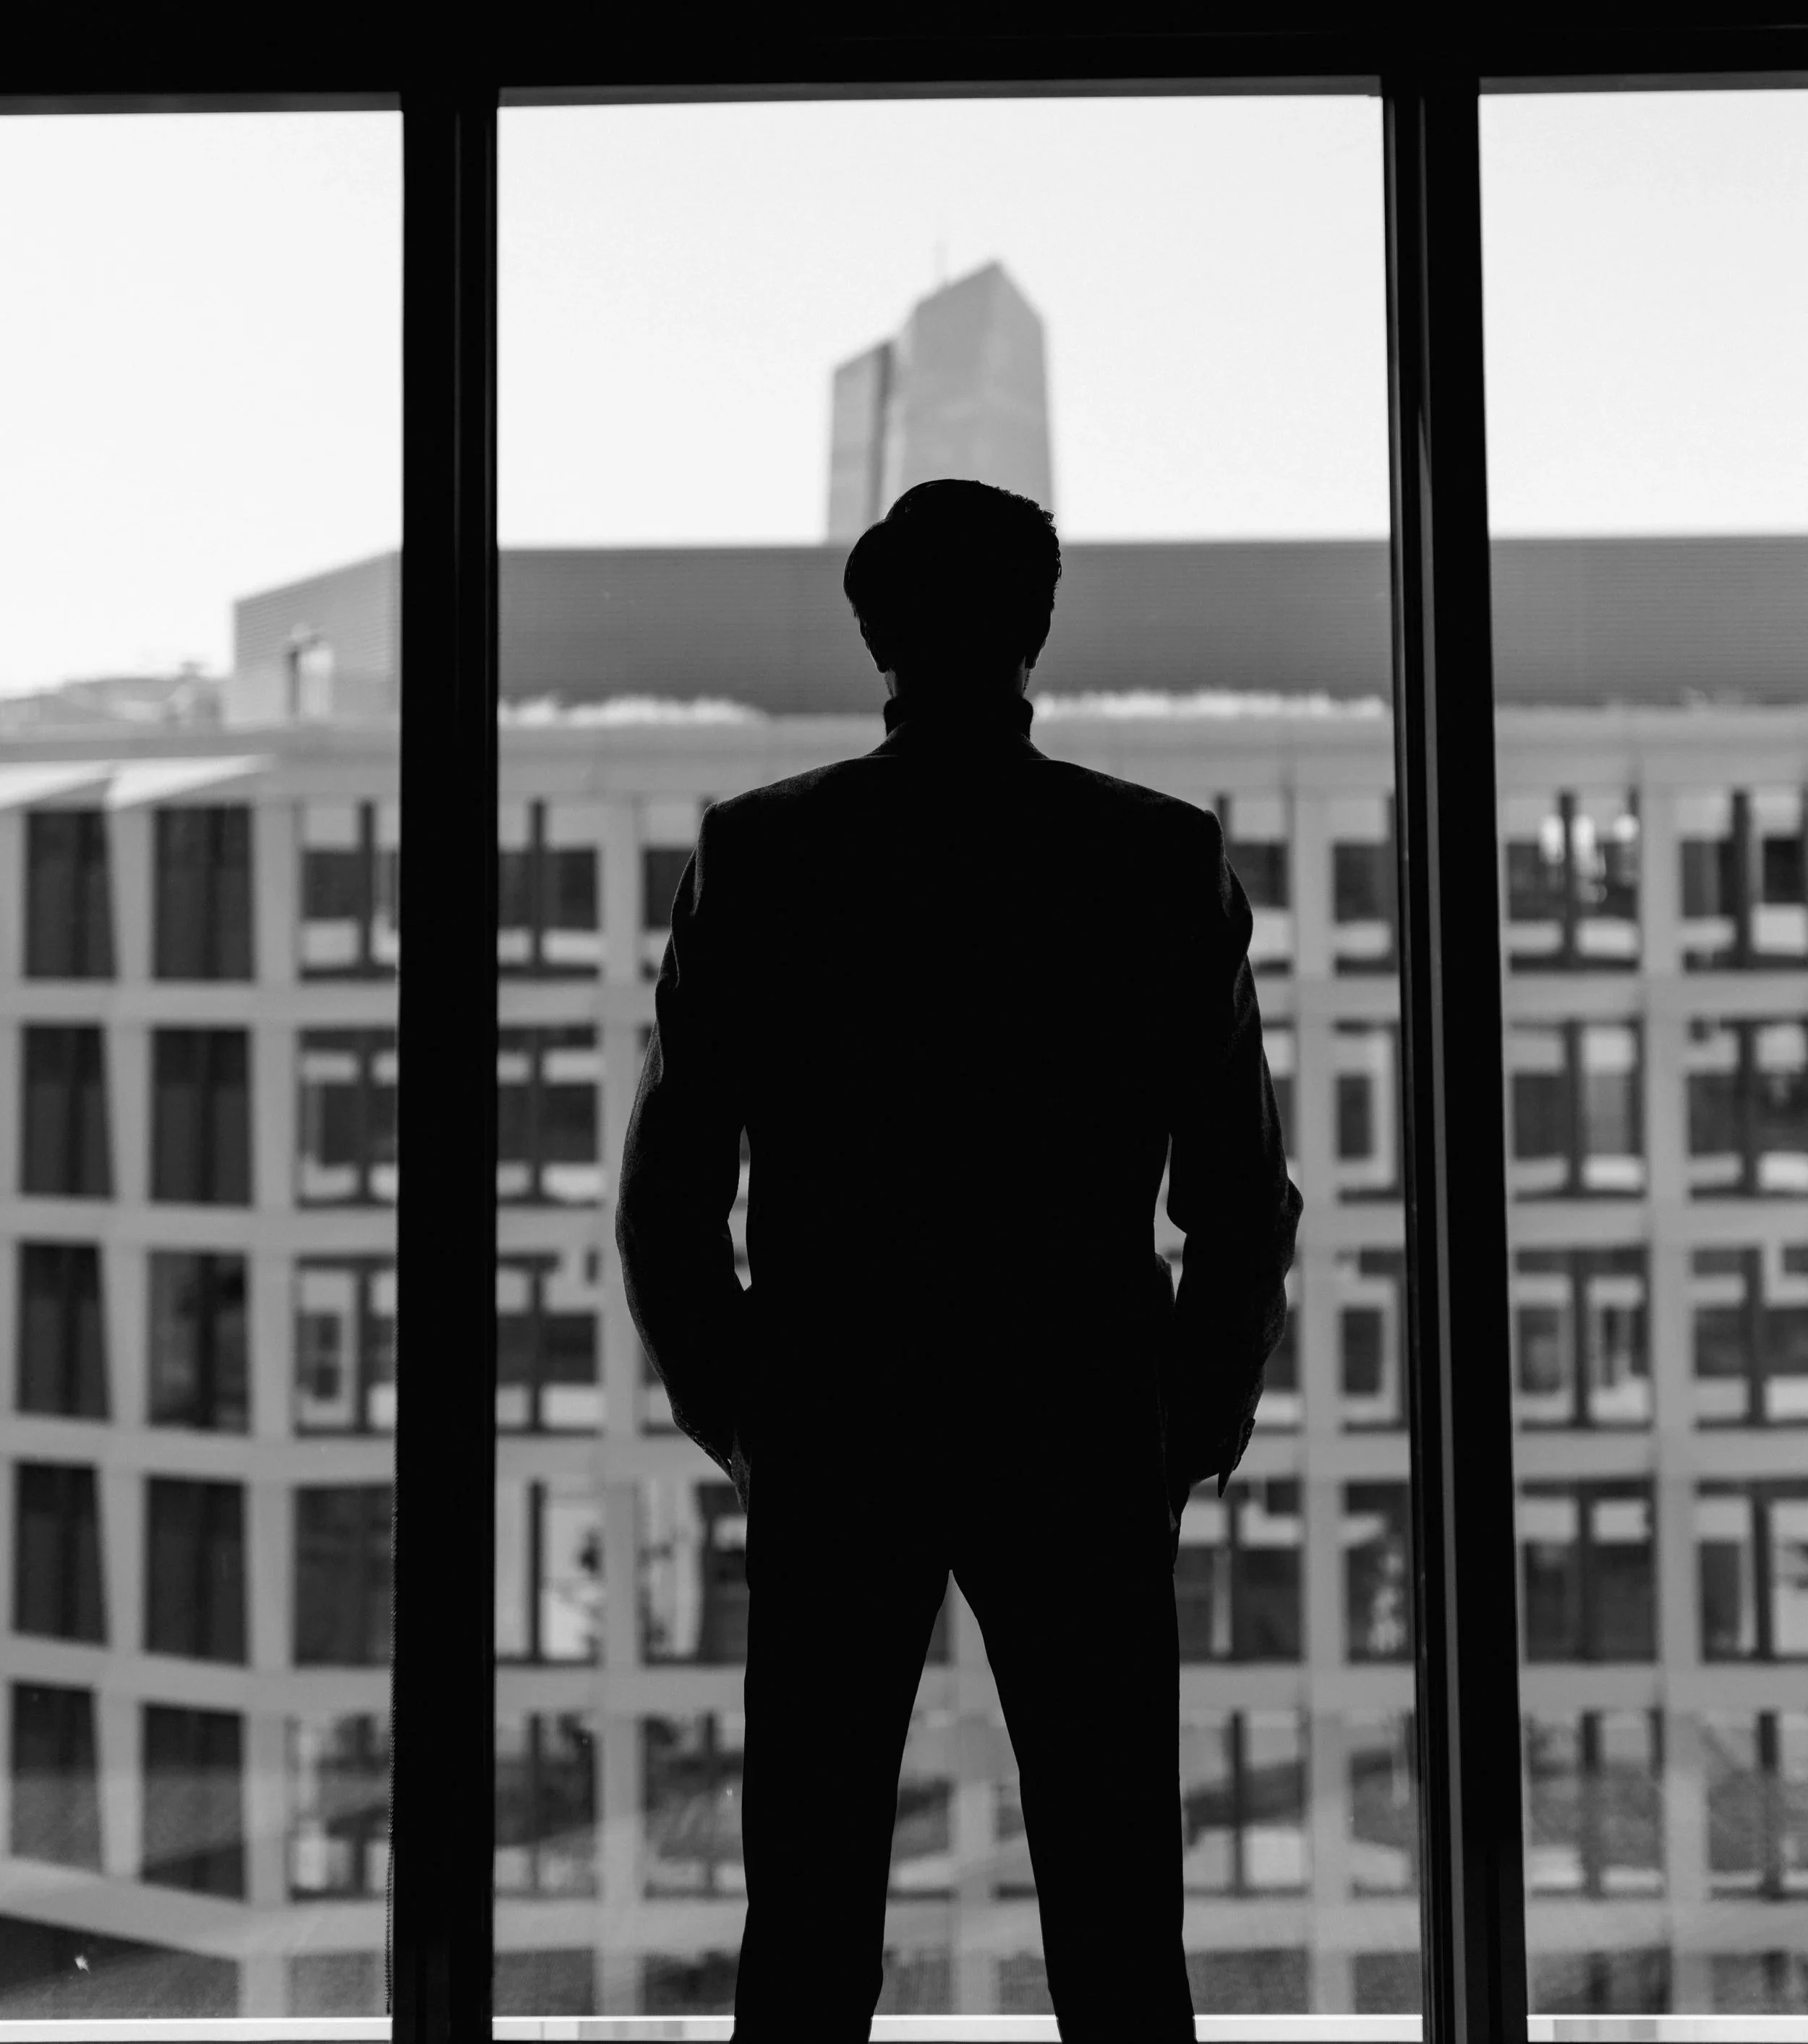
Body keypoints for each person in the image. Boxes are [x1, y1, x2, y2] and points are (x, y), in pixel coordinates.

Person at [615, 476, 1302, 2040]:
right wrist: (1178, 1427)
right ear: (1036, 629)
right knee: (1119, 1918)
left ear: (874, 631)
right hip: (1072, 1421)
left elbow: (668, 1200)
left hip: (839, 1418)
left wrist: (750, 1417)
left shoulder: (764, 855)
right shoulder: (1150, 858)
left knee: (803, 1918)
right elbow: (1241, 1201)